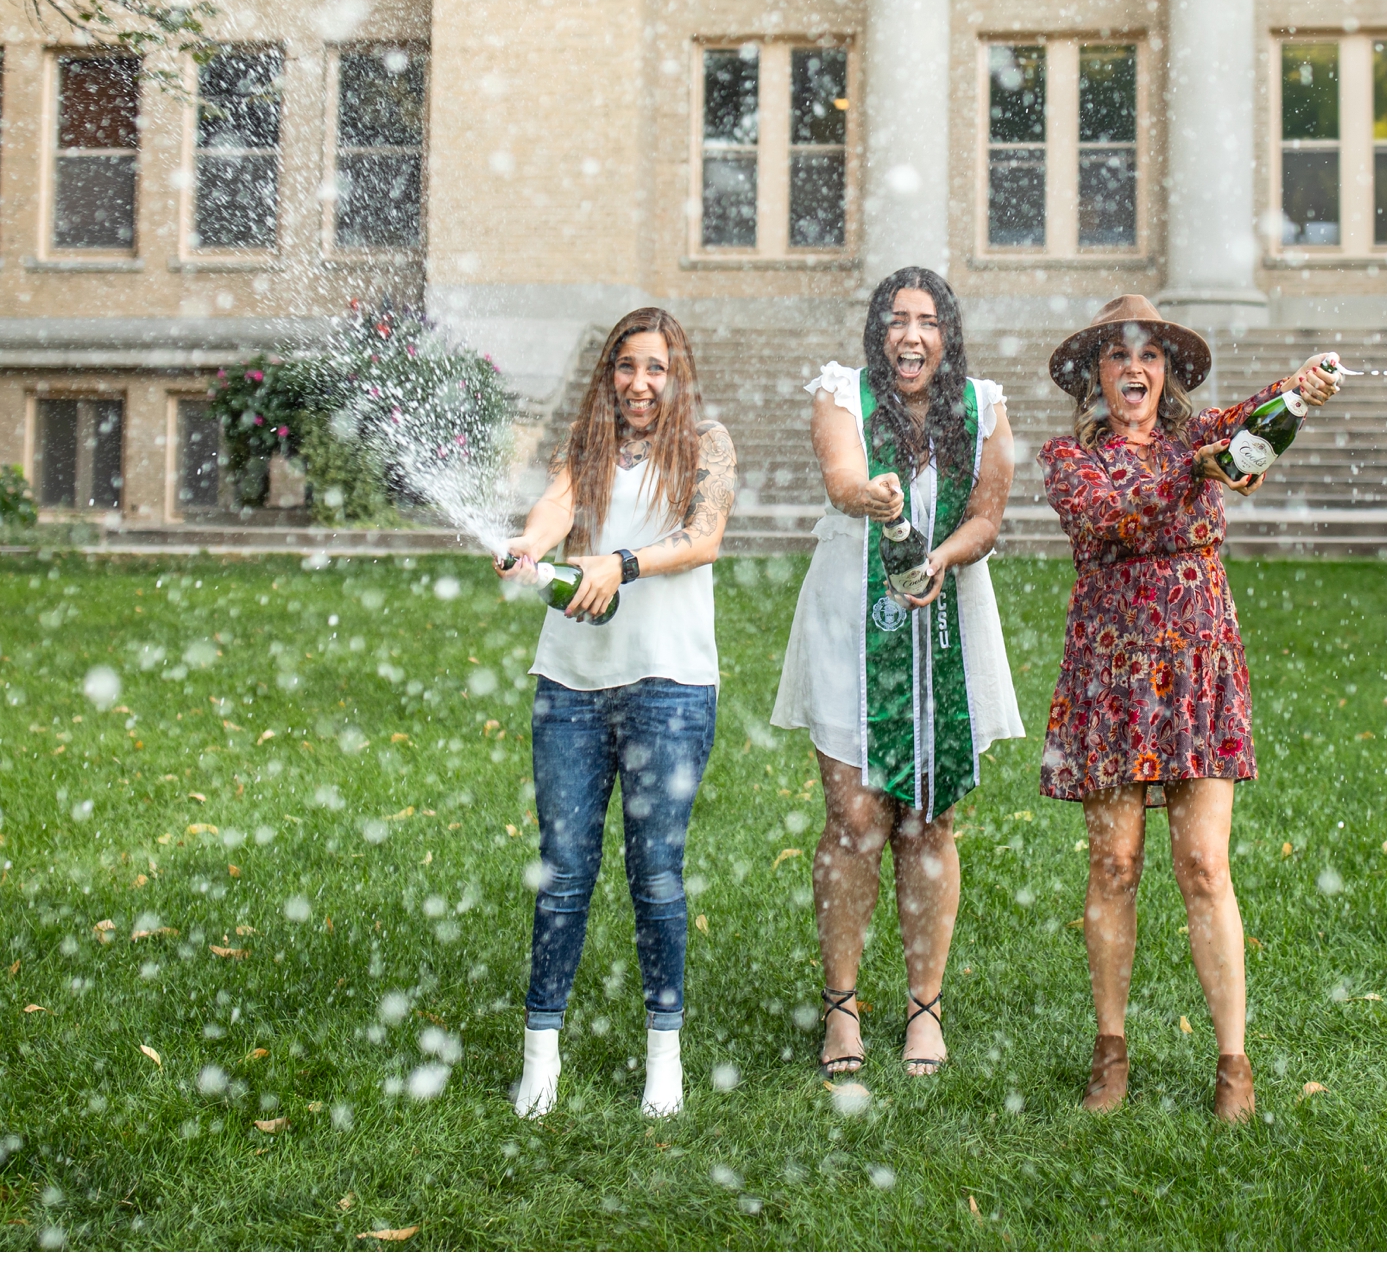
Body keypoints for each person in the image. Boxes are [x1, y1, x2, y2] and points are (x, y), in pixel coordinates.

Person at [1036, 295, 1341, 1123]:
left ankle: (1234, 1064)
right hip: (1114, 674)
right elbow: (1106, 517)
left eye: (1149, 356)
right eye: (1118, 355)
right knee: (1116, 865)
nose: (1134, 369)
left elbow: (1259, 414)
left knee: (1205, 865)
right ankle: (1111, 1052)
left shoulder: (1201, 434)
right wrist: (1195, 471)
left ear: (1164, 372)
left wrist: (1302, 387)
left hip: (1200, 665)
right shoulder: (1069, 456)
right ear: (1097, 373)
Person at [770, 267, 1022, 1078]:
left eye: (927, 320)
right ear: (877, 332)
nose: (911, 335)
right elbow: (841, 477)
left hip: (943, 623)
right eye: (896, 319)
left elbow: (987, 514)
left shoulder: (982, 406)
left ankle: (924, 1009)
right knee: (855, 818)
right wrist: (872, 495)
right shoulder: (844, 393)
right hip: (853, 624)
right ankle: (842, 1007)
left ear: (947, 334)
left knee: (931, 816)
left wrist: (942, 555)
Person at [494, 308, 735, 1120]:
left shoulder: (707, 444)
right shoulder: (585, 442)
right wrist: (530, 546)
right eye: (627, 367)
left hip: (668, 686)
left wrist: (619, 564)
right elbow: (555, 509)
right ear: (609, 373)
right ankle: (541, 1056)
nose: (639, 383)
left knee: (656, 874)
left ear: (678, 375)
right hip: (569, 685)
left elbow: (703, 539)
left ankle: (663, 1058)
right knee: (563, 873)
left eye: (656, 368)